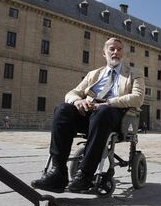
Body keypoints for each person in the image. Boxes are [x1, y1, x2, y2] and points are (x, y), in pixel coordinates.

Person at [31, 37, 145, 192]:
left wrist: (107, 102)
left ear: (123, 53)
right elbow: (72, 92)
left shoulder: (134, 73)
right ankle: (58, 173)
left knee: (102, 111)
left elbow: (138, 98)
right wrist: (77, 101)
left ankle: (85, 175)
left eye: (119, 49)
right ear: (104, 53)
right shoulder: (93, 74)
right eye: (112, 49)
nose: (115, 52)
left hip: (116, 116)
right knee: (62, 109)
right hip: (90, 113)